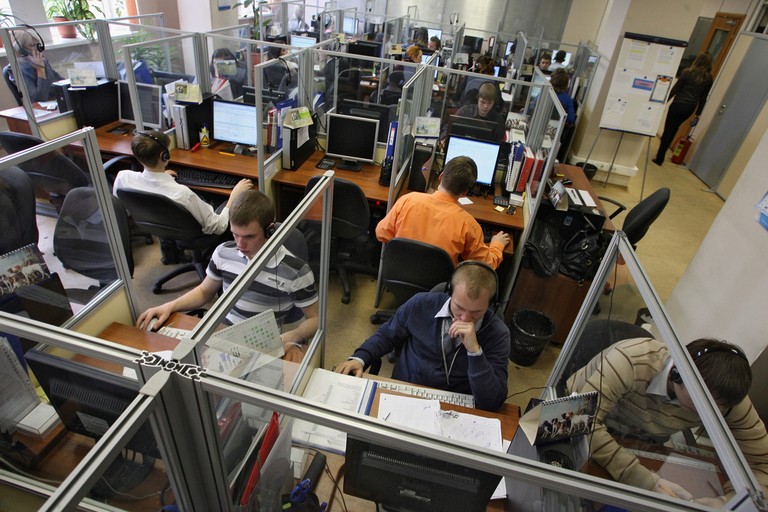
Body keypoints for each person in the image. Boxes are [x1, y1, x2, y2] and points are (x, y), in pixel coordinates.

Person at [566, 337, 768, 506]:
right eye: (702, 400)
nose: (710, 411)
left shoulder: (726, 400)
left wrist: (730, 503)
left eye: (719, 407)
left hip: (639, 433)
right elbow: (579, 423)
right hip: (577, 415)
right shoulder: (630, 360)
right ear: (677, 373)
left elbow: (762, 463)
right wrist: (645, 481)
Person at [136, 189, 319, 363]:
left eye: (249, 236)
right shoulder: (223, 253)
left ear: (270, 229)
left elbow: (315, 319)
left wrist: (295, 338)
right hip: (225, 335)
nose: (240, 244)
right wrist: (169, 306)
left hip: (265, 344)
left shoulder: (296, 271)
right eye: (235, 235)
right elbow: (204, 292)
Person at [334, 261, 510, 411]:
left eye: (476, 312)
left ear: (491, 304)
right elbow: (387, 334)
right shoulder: (421, 303)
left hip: (452, 406)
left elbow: (491, 403)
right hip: (405, 390)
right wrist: (360, 358)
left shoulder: (498, 334)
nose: (465, 318)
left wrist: (475, 352)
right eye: (459, 307)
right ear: (449, 292)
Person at [375, 155, 510, 269]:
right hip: (437, 287)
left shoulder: (407, 200)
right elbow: (485, 265)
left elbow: (381, 233)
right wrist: (497, 245)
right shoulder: (469, 225)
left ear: (441, 177)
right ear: (465, 192)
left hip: (397, 275)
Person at [113, 131, 253, 236]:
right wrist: (234, 196)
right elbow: (218, 226)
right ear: (164, 156)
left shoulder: (123, 178)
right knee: (220, 199)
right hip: (195, 233)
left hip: (157, 225)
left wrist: (162, 175)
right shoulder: (182, 194)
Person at [654, 52, 713, 166]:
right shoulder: (708, 79)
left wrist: (663, 102)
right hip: (689, 108)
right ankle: (661, 155)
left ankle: (659, 158)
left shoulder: (687, 72)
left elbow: (675, 89)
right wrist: (698, 113)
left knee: (668, 130)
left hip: (677, 104)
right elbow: (703, 98)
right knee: (674, 129)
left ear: (697, 60)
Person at [12, 30, 63, 103]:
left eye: (38, 44)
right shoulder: (18, 69)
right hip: (39, 107)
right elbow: (41, 97)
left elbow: (61, 82)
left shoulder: (42, 61)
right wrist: (40, 70)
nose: (38, 48)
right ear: (21, 50)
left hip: (55, 101)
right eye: (32, 45)